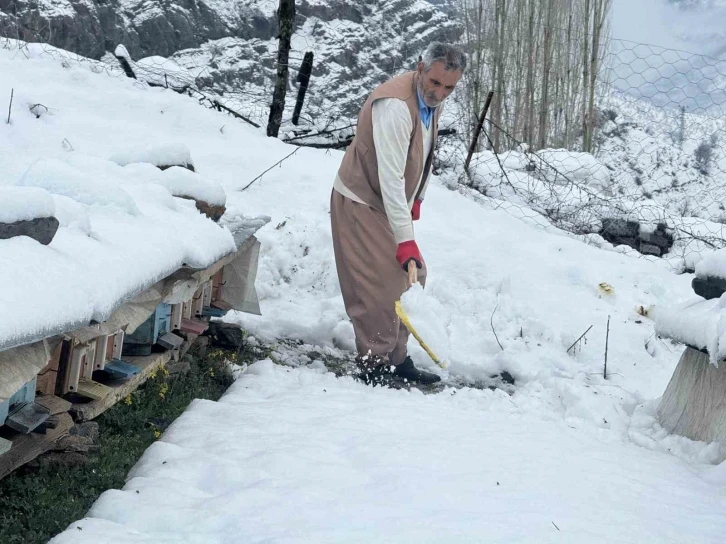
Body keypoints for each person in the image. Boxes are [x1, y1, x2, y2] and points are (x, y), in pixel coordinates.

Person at [330, 42, 466, 385]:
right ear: (420, 67)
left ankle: (397, 358)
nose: (439, 93)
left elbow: (425, 151)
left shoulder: (429, 100)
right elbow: (390, 178)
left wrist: (417, 197)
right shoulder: (394, 106)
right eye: (435, 82)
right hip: (361, 200)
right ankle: (374, 363)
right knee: (378, 285)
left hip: (390, 203)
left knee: (413, 278)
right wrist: (405, 240)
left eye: (449, 87)